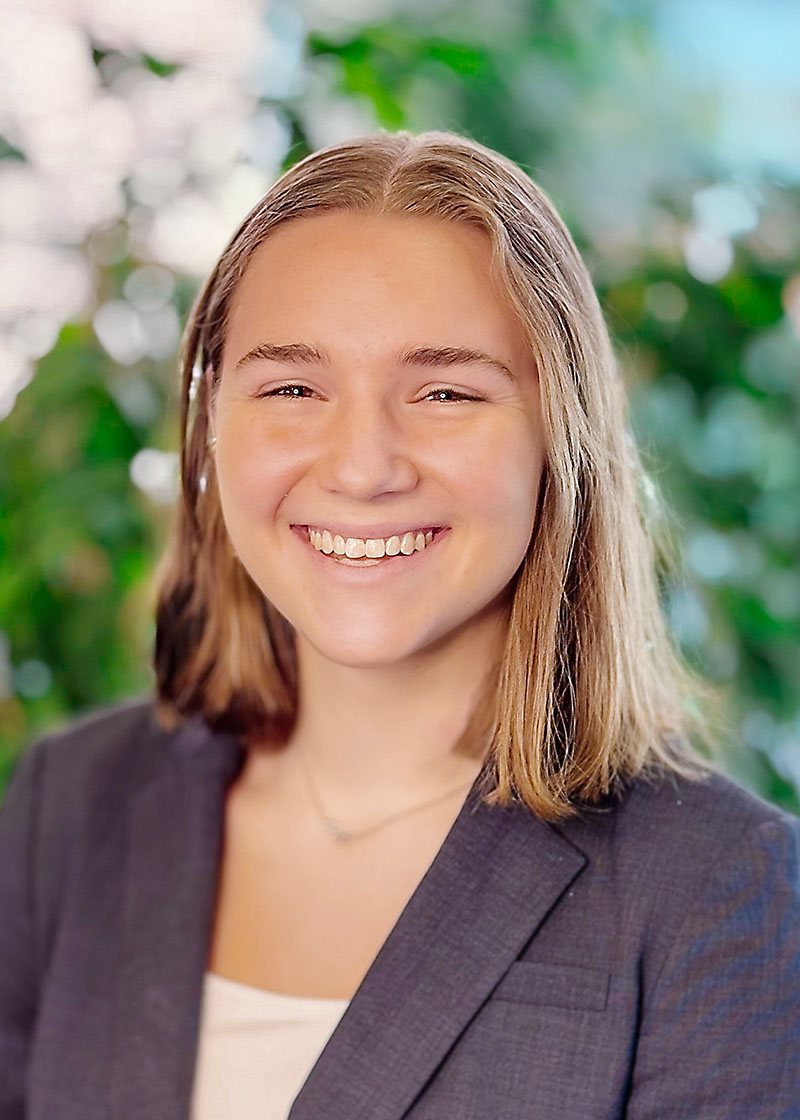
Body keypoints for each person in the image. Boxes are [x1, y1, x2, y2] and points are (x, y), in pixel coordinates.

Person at [1, 129, 798, 1120]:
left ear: (559, 431)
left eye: (445, 392)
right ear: (213, 421)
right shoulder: (69, 805)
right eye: (292, 386)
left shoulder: (724, 890)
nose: (362, 465)